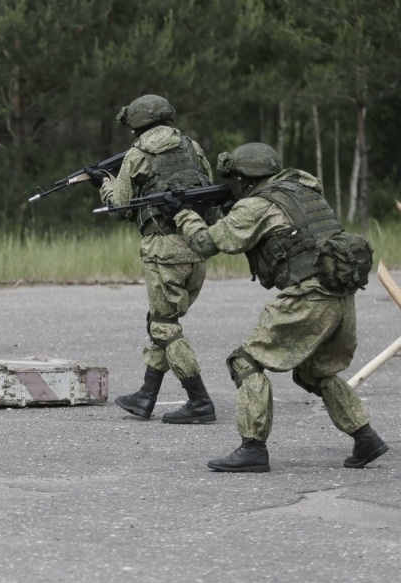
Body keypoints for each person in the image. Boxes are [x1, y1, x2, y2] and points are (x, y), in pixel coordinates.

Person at [171, 142, 388, 472]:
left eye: (234, 181)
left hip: (309, 297)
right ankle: (366, 438)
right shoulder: (302, 187)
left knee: (245, 362)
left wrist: (183, 214)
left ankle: (253, 448)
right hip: (341, 296)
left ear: (244, 180)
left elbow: (206, 243)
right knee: (317, 373)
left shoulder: (256, 207)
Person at [98, 94, 217, 424]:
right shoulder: (192, 146)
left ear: (136, 123)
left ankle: (199, 400)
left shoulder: (138, 152)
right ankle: (146, 397)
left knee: (165, 326)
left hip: (164, 250)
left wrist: (105, 185)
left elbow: (119, 208)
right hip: (199, 246)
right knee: (161, 321)